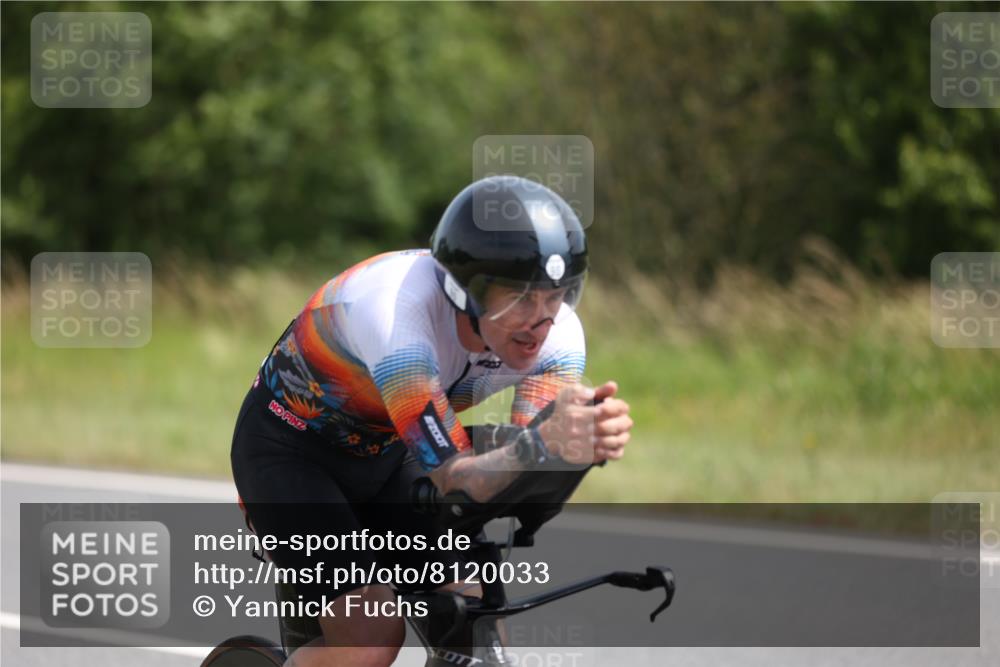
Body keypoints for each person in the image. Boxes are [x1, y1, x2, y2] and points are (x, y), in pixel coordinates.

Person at [230, 175, 634, 667]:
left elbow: (522, 465)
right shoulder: (398, 313)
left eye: (556, 295)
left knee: (470, 622)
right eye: (520, 297)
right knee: (372, 638)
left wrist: (574, 447)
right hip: (292, 453)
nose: (541, 320)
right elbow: (455, 476)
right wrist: (540, 445)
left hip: (391, 451)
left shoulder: (559, 338)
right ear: (466, 291)